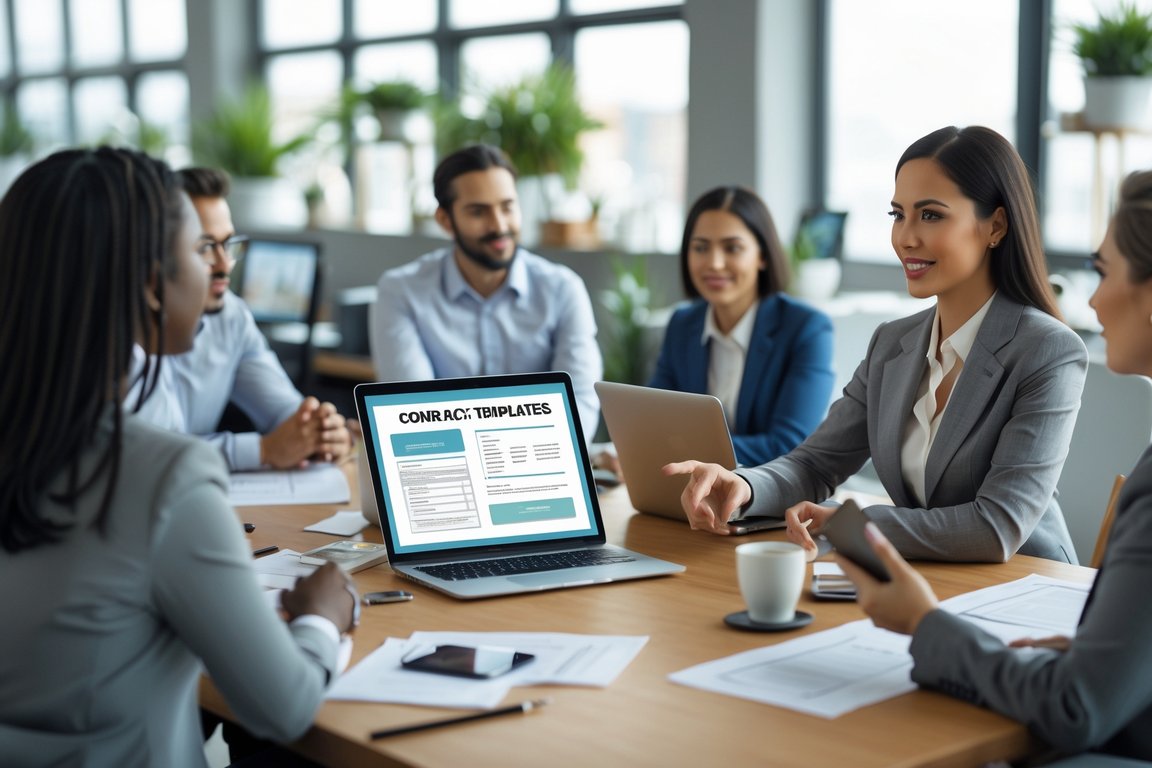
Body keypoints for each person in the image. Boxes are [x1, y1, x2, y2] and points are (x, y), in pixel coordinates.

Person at [838, 161, 1152, 766]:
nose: (1092, 299)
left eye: (1103, 272)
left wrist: (923, 624)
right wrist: (1097, 652)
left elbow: (1075, 711)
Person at [0, 148, 358, 766]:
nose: (219, 269)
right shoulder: (163, 478)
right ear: (148, 283)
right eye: (200, 251)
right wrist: (323, 616)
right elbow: (284, 706)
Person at [666, 126, 1086, 563]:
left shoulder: (1048, 351)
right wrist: (747, 485)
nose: (905, 237)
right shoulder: (893, 342)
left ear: (995, 225)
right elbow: (814, 464)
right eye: (897, 214)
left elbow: (996, 526)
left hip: (1027, 586)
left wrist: (854, 525)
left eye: (931, 215)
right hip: (923, 578)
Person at [371, 144, 603, 438]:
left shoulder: (562, 289)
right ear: (445, 220)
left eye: (508, 206)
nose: (499, 225)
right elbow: (412, 414)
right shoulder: (400, 292)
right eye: (478, 212)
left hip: (544, 469)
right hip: (448, 471)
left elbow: (580, 405)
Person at [137, 166, 352, 471]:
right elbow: (149, 456)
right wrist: (261, 450)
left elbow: (288, 411)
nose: (225, 265)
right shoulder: (127, 334)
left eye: (229, 244)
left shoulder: (231, 316)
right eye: (206, 248)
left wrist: (320, 432)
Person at [646, 186, 835, 466]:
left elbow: (789, 444)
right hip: (690, 494)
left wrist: (681, 449)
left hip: (774, 500)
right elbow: (652, 420)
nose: (714, 263)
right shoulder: (683, 324)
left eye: (732, 248)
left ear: (762, 256)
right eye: (700, 247)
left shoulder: (807, 328)